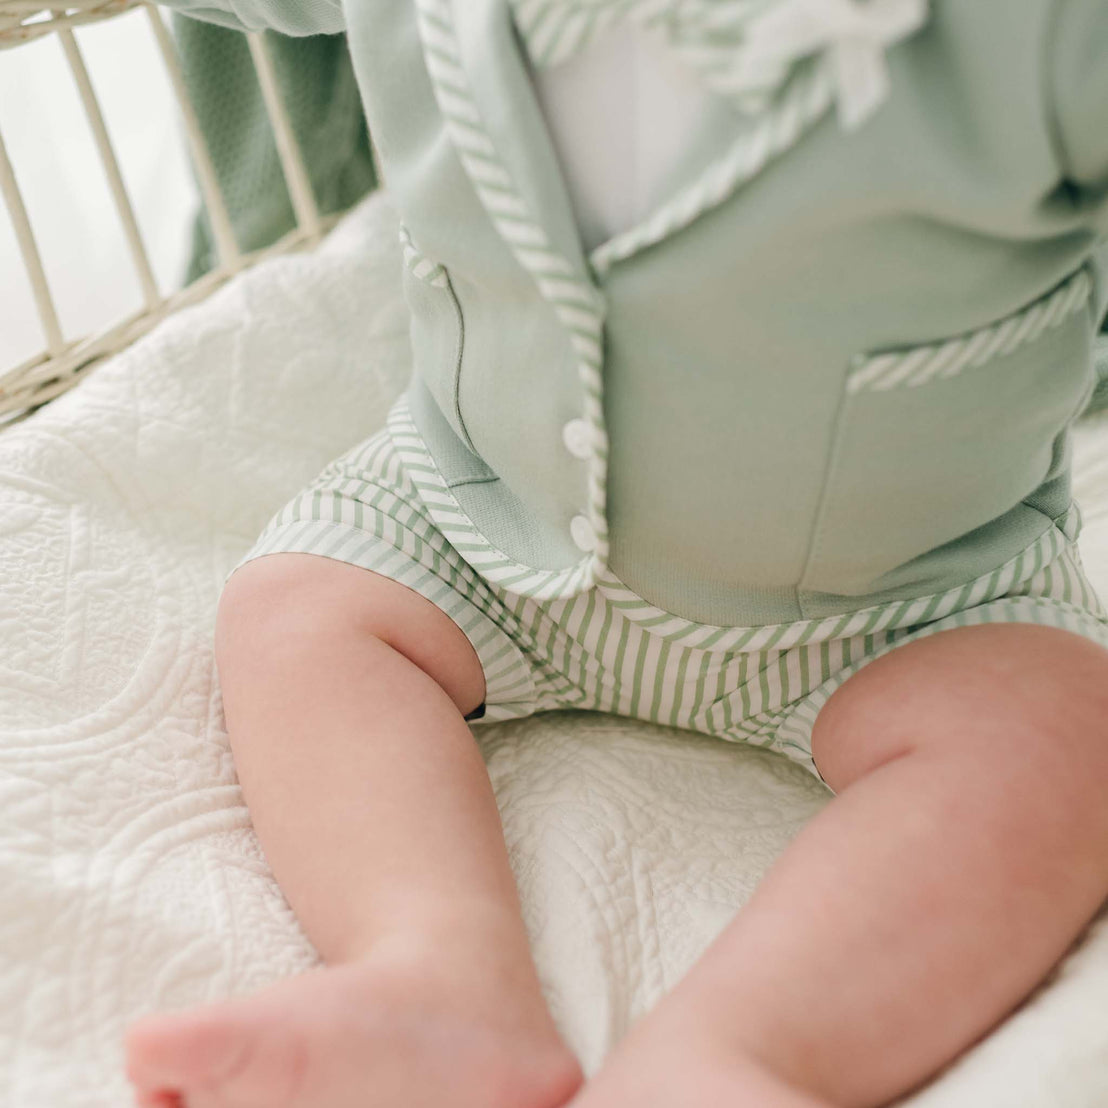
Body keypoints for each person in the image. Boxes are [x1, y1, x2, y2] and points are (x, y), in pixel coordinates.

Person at [124, 2, 1108, 1105]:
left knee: (1065, 736)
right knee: (297, 610)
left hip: (905, 591)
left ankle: (743, 1049)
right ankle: (432, 971)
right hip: (479, 513)